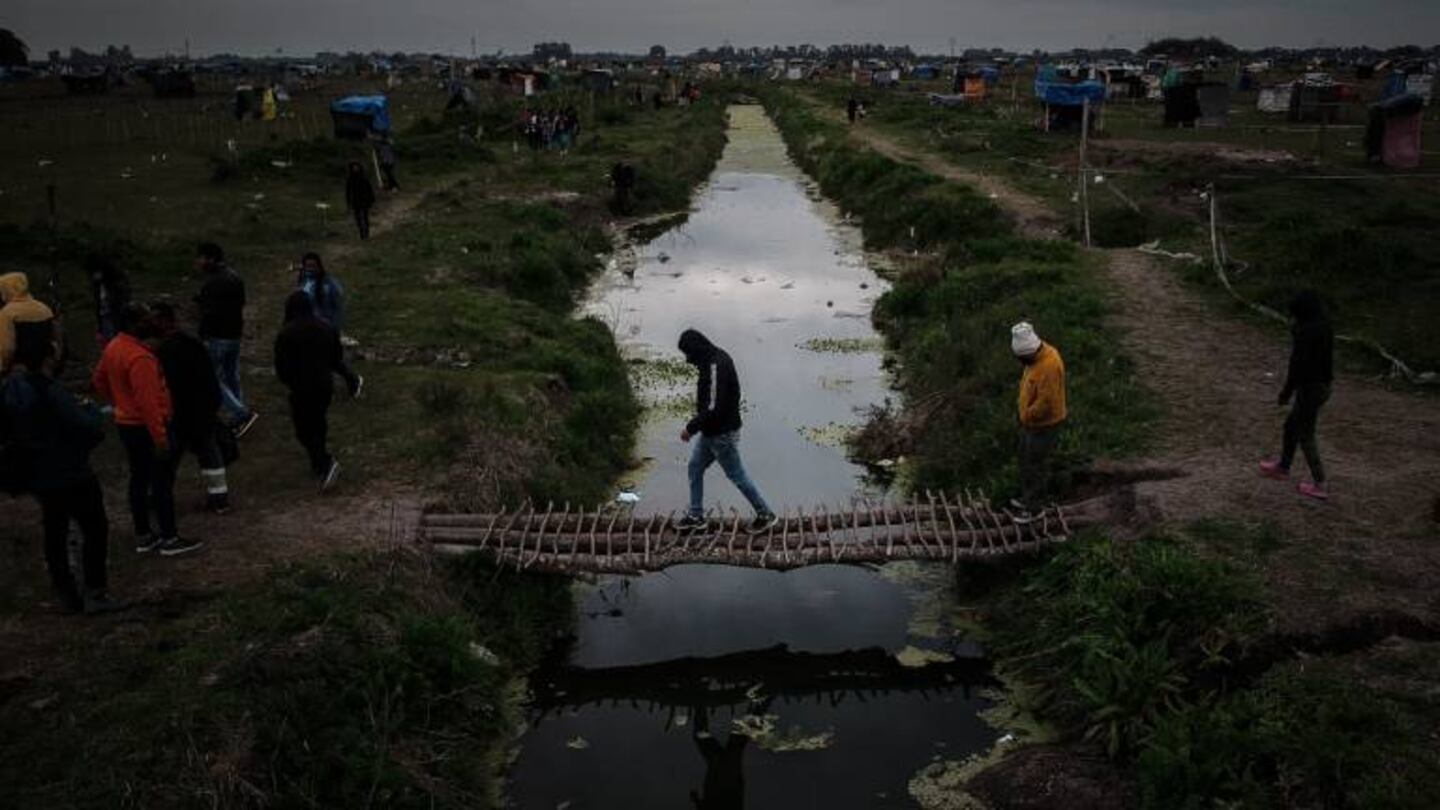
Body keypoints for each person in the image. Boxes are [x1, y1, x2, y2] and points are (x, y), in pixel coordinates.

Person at [1, 333, 121, 613]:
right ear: (47, 358)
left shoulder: (9, 390)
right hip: (70, 470)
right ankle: (95, 591)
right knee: (94, 527)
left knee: (54, 530)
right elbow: (83, 426)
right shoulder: (50, 390)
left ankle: (65, 592)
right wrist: (92, 413)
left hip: (35, 472)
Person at [92, 303, 202, 556]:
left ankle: (143, 534)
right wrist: (161, 439)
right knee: (161, 482)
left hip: (127, 425)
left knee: (138, 479)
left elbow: (98, 379)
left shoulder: (114, 347)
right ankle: (169, 537)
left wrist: (119, 402)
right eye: (145, 319)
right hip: (147, 426)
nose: (152, 323)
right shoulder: (140, 357)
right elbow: (149, 404)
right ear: (133, 324)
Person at [674, 329, 778, 533]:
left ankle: (766, 514)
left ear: (696, 350)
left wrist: (690, 428)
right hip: (712, 432)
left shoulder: (716, 366)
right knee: (695, 467)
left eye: (688, 354)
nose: (687, 360)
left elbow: (714, 408)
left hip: (722, 434)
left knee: (737, 475)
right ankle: (696, 516)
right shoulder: (711, 359)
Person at [151, 301, 232, 515]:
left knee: (170, 458)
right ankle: (219, 498)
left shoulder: (165, 350)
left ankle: (160, 496)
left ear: (165, 321)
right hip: (200, 411)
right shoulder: (192, 344)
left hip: (181, 413)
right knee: (209, 454)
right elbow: (210, 378)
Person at [1260, 290, 1334, 500]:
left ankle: (1320, 483)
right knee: (1291, 426)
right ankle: (1283, 466)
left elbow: (1297, 367)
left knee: (1305, 434)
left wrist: (1286, 392)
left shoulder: (1305, 333)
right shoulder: (1324, 326)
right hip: (1322, 386)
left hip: (1310, 388)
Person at [274, 291, 346, 490]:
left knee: (303, 428)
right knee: (318, 420)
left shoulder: (286, 333)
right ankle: (319, 462)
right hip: (324, 383)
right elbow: (336, 356)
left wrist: (289, 380)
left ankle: (324, 461)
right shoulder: (326, 326)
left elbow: (282, 366)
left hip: (301, 386)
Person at [194, 243, 258, 437]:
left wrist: (202, 334)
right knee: (231, 375)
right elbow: (241, 303)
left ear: (211, 259)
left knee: (211, 379)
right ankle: (238, 412)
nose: (197, 262)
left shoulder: (211, 283)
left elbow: (209, 314)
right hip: (234, 334)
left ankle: (240, 413)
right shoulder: (235, 276)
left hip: (217, 337)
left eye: (200, 258)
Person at [1011, 321, 1067, 520]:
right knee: (1025, 458)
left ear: (1030, 352)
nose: (1020, 361)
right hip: (1032, 423)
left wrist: (1026, 415)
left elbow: (1047, 403)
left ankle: (1034, 509)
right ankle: (1028, 497)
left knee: (1035, 464)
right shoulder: (1036, 358)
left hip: (1044, 424)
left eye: (1022, 358)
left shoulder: (1049, 365)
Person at [296, 252, 363, 397]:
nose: (310, 269)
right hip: (307, 327)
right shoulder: (303, 281)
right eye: (307, 266)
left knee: (329, 360)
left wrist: (335, 329)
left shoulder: (329, 284)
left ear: (320, 266)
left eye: (313, 266)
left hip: (325, 329)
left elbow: (338, 308)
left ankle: (353, 379)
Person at [0, 271, 56, 375]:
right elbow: (54, 340)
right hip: (43, 368)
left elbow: (7, 349)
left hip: (19, 370)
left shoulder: (7, 313)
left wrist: (4, 368)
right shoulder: (44, 309)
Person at [86, 254, 131, 347]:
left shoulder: (115, 282)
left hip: (114, 310)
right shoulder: (98, 284)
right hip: (105, 311)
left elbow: (122, 298)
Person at [345, 161, 376, 240]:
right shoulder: (350, 179)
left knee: (365, 217)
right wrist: (348, 202)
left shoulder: (364, 177)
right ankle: (362, 232)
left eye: (357, 167)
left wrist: (371, 199)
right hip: (356, 201)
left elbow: (369, 188)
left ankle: (366, 232)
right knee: (358, 218)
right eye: (354, 167)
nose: (355, 168)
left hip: (364, 200)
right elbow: (348, 191)